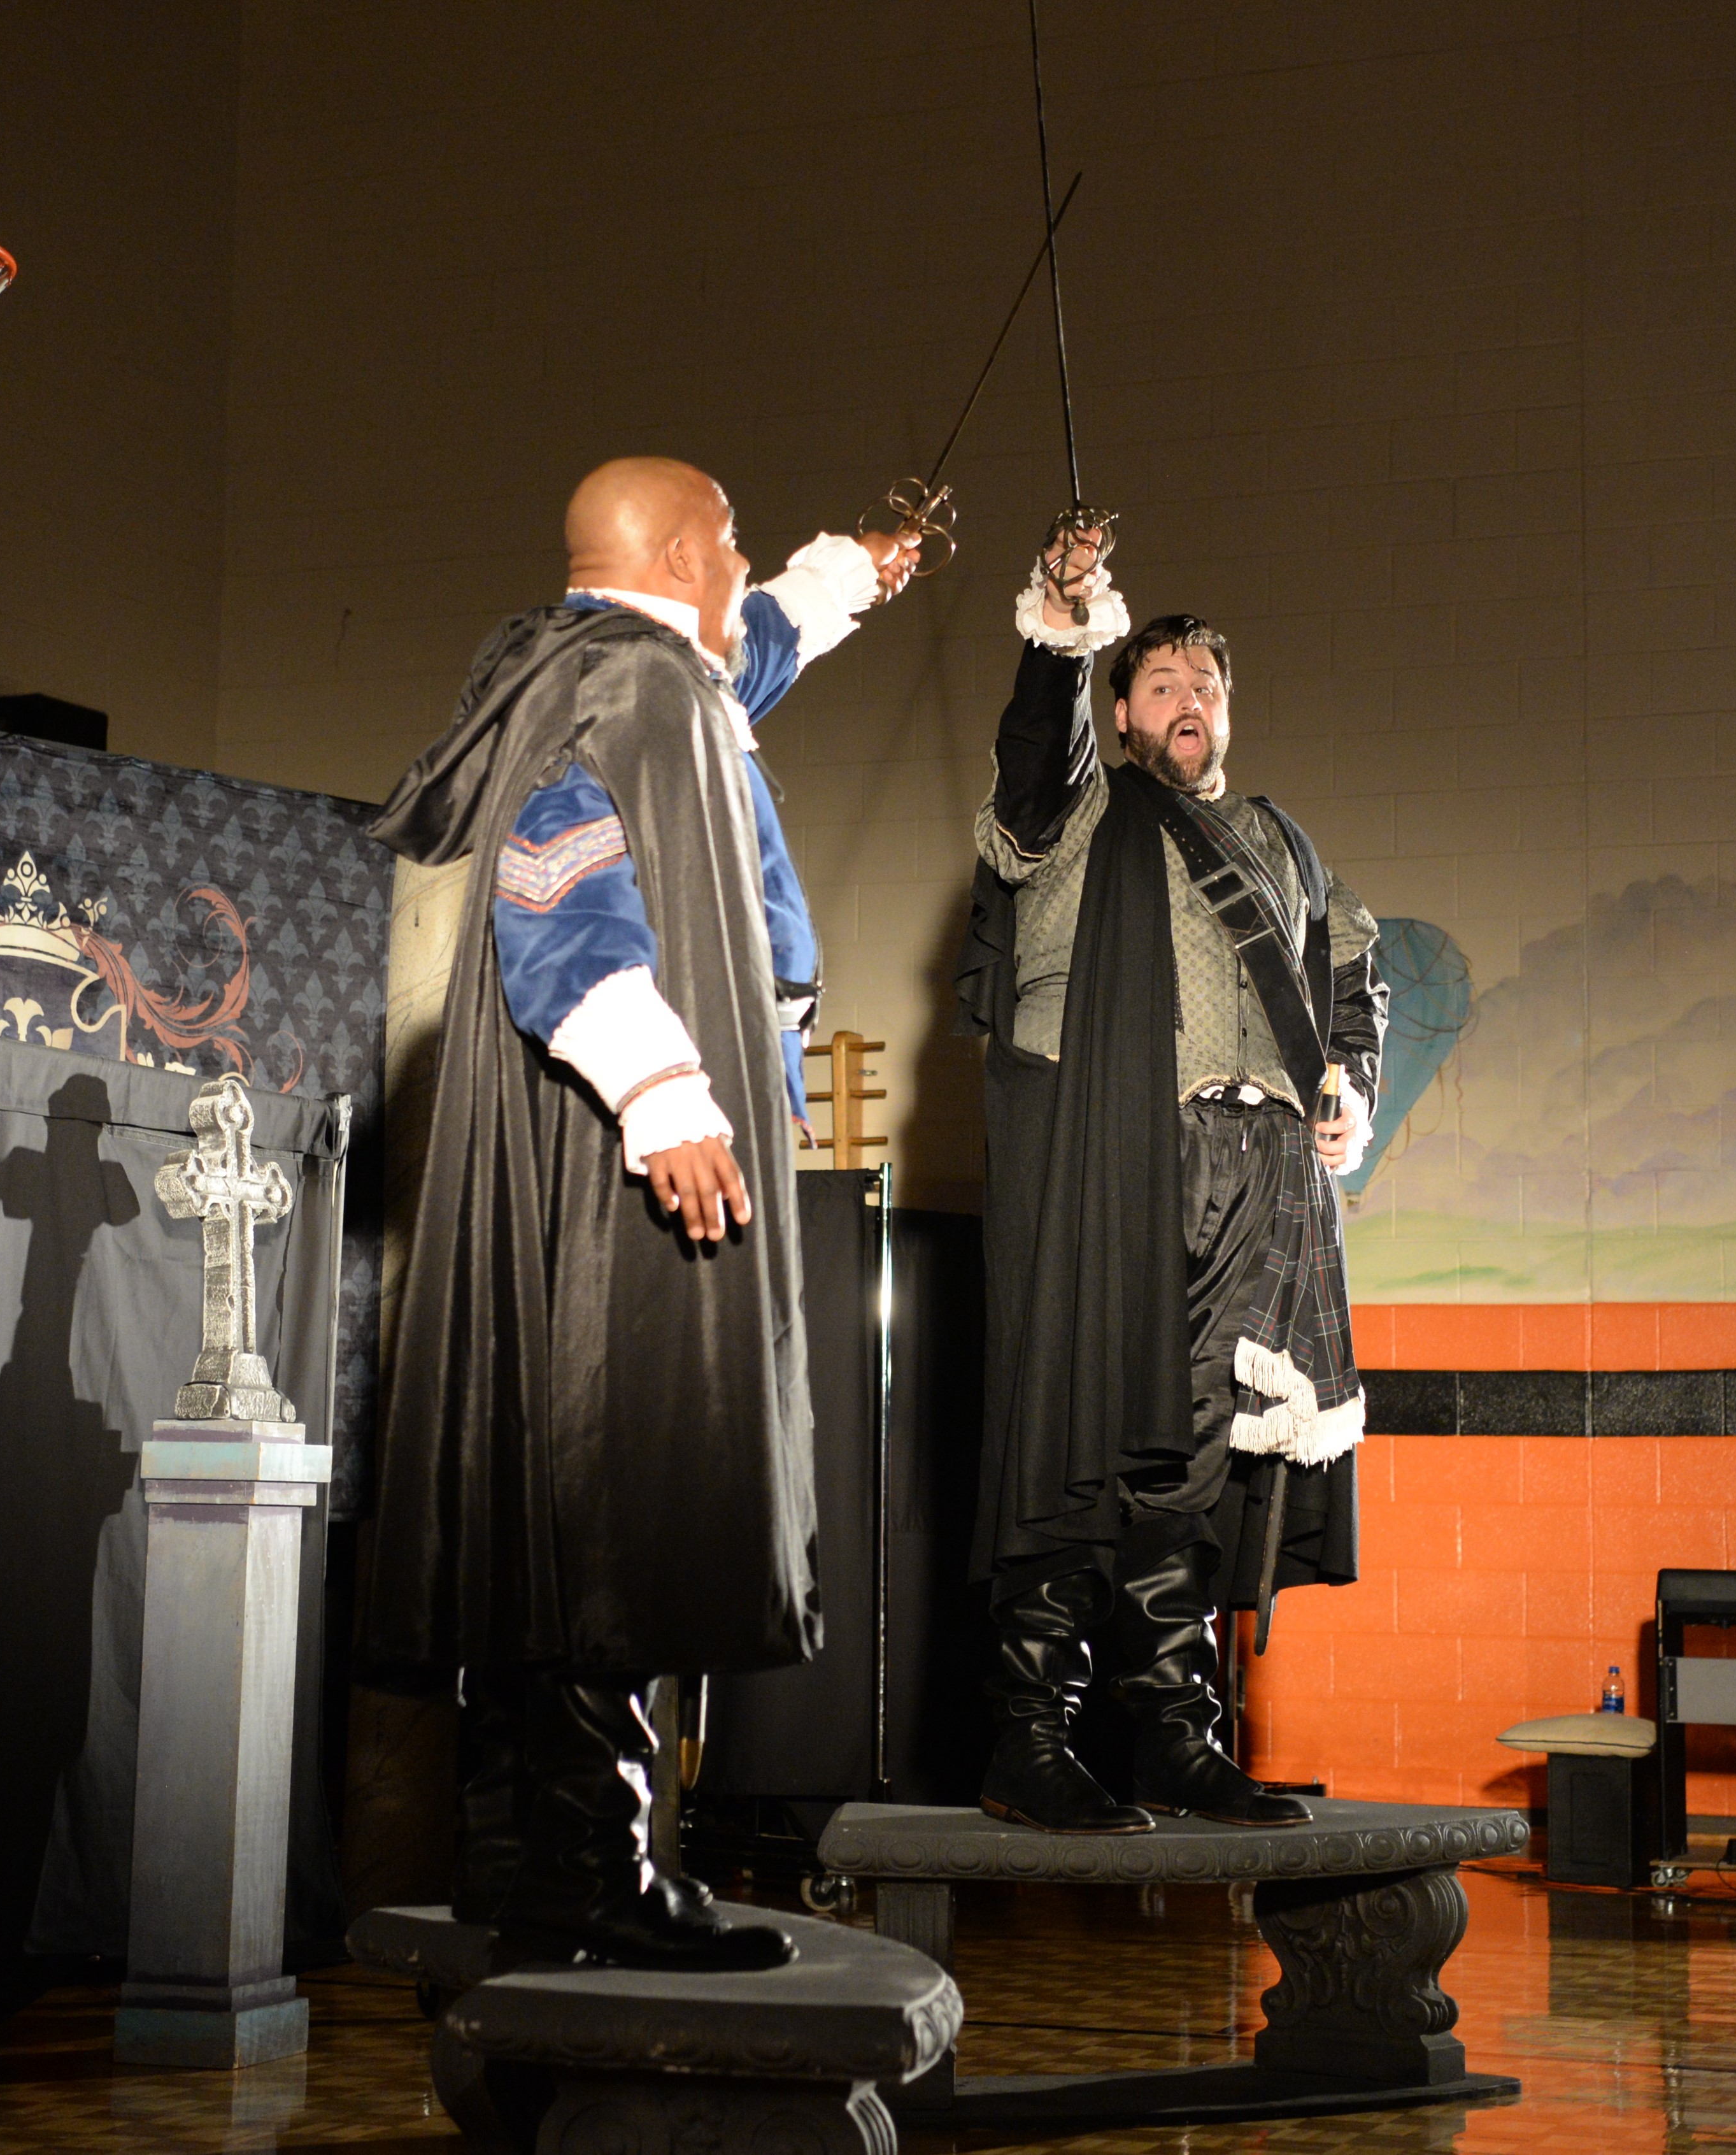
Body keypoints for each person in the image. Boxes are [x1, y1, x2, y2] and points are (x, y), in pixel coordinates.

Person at [361, 457, 913, 1968]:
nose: (744, 563)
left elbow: (755, 657)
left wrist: (854, 570)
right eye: (733, 541)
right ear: (682, 553)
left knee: (561, 1490)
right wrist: (665, 1094)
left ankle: (512, 1857)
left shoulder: (615, 669)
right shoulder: (638, 691)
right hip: (630, 1154)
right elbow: (558, 880)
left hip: (575, 1152)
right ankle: (601, 1872)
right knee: (627, 1493)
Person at [958, 524, 1388, 1835]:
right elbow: (1035, 746)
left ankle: (1176, 1738)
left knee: (1195, 1468)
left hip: (1263, 1171)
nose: (1189, 701)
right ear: (1119, 708)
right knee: (1083, 1431)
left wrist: (1350, 1095)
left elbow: (1352, 976)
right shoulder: (1074, 804)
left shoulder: (1281, 839)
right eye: (1161, 685)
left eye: (1207, 685)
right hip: (1115, 1161)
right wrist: (1064, 624)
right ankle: (1027, 1737)